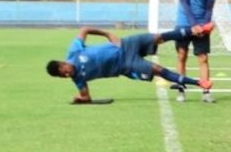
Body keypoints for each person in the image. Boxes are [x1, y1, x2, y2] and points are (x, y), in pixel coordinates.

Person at [47, 25, 213, 102]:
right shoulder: (78, 79)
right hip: (126, 63)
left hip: (126, 44)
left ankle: (196, 30)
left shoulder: (74, 51)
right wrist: (80, 98)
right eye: (64, 76)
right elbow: (86, 96)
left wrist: (107, 34)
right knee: (158, 69)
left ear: (63, 63)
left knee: (158, 37)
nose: (68, 74)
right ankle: (199, 82)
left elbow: (84, 29)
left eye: (65, 70)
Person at [175, 0, 217, 103]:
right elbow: (184, 3)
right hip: (184, 24)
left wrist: (204, 26)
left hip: (201, 26)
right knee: (182, 55)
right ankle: (181, 89)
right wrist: (194, 25)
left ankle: (206, 92)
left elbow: (209, 8)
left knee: (203, 58)